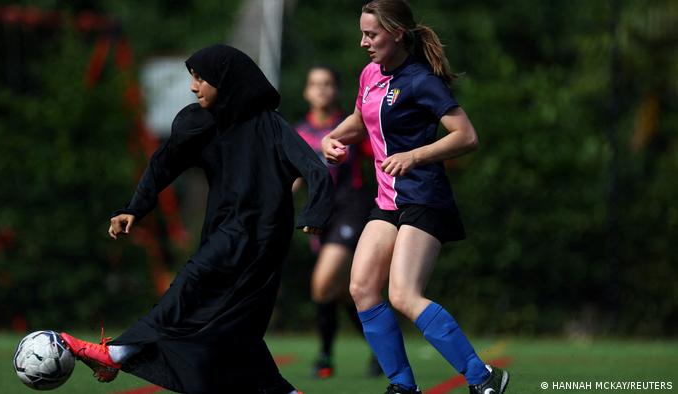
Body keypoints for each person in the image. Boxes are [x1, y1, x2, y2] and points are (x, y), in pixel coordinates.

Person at [60, 44, 333, 394]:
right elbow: (163, 164)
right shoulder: (201, 122)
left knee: (191, 283)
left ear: (225, 80)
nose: (193, 87)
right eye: (193, 78)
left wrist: (315, 212)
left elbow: (315, 170)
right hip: (224, 231)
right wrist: (134, 208)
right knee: (234, 330)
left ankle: (117, 351)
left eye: (200, 78)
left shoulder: (271, 126)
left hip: (260, 237)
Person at [320, 1, 510, 394]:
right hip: (388, 202)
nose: (363, 42)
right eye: (362, 33)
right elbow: (361, 119)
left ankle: (484, 377)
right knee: (362, 288)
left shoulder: (421, 80)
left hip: (424, 198)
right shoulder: (371, 74)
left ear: (396, 34)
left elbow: (466, 136)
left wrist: (415, 156)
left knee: (403, 294)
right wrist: (332, 138)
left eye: (371, 35)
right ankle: (403, 386)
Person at [292, 65, 379, 378]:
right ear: (306, 91)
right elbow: (293, 179)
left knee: (322, 283)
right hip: (320, 216)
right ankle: (379, 351)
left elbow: (381, 155)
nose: (321, 89)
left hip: (350, 210)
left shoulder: (351, 127)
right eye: (315, 84)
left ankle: (325, 356)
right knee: (343, 292)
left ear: (336, 90)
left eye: (327, 83)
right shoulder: (298, 132)